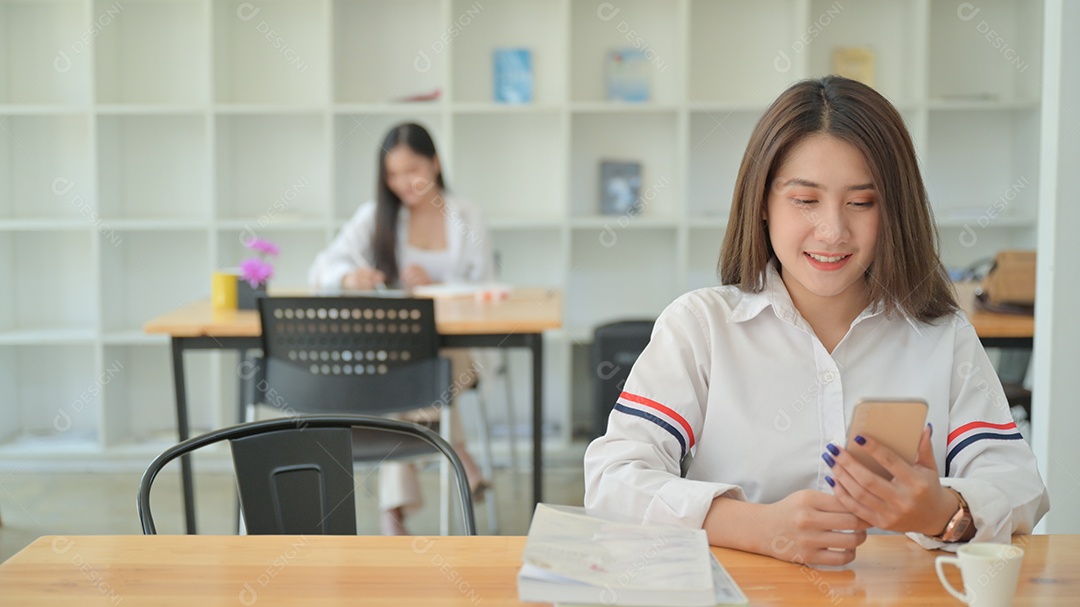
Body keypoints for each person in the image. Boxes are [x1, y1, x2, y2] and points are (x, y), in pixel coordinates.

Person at [583, 76, 1049, 566]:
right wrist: (754, 526)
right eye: (805, 200)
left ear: (894, 211)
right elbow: (612, 479)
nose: (832, 231)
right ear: (762, 203)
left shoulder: (942, 335)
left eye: (862, 202)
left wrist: (942, 512)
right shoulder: (701, 327)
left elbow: (1019, 485)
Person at [309, 122, 493, 535]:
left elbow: (487, 285)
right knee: (411, 368)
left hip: (459, 355)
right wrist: (348, 278)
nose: (402, 183)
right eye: (392, 175)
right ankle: (458, 451)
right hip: (403, 359)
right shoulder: (376, 217)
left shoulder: (467, 217)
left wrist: (436, 283)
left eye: (412, 170)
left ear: (436, 162)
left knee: (424, 365)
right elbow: (321, 267)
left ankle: (392, 515)